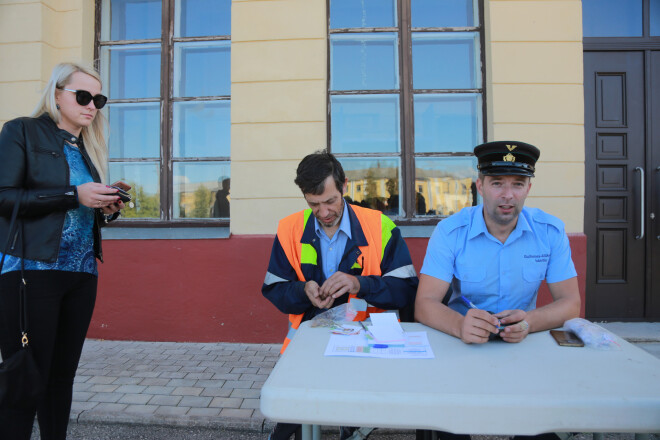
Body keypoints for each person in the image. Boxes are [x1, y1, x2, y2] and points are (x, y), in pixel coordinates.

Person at [415, 141, 581, 440]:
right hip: (460, 346)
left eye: (518, 184)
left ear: (528, 187)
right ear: (480, 185)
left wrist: (529, 323)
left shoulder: (550, 232)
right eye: (497, 184)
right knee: (447, 426)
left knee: (538, 429)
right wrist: (459, 325)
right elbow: (425, 303)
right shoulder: (451, 232)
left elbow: (570, 303)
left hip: (522, 347)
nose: (508, 195)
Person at [0, 62, 126, 440]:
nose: (92, 106)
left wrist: (105, 207)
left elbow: (75, 212)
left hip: (81, 273)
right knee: (26, 375)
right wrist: (74, 194)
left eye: (98, 99)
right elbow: (5, 197)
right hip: (31, 269)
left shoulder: (83, 148)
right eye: (83, 96)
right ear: (57, 94)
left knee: (61, 376)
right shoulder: (21, 130)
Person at [262, 151, 418, 440]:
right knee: (296, 407)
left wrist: (360, 284)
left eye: (331, 201)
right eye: (314, 204)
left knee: (352, 407)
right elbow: (274, 289)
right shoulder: (289, 229)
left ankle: (352, 428)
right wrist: (303, 291)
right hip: (309, 339)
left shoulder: (381, 226)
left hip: (368, 339)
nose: (323, 213)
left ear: (345, 186)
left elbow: (406, 289)